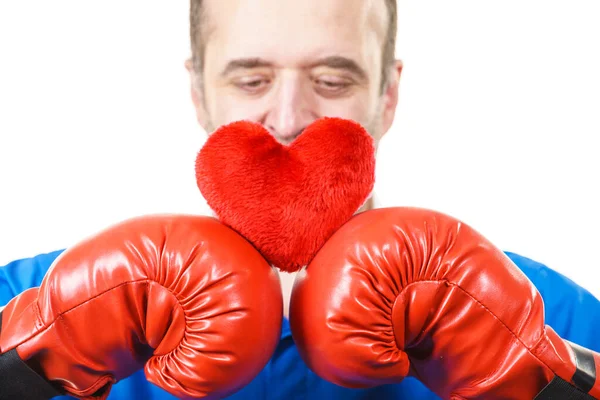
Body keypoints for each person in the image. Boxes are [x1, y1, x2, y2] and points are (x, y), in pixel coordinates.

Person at [1, 0, 599, 399]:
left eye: (333, 80)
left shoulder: (543, 310)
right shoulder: (28, 294)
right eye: (251, 79)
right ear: (197, 91)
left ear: (389, 95)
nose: (288, 119)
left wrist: (539, 381)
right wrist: (31, 362)